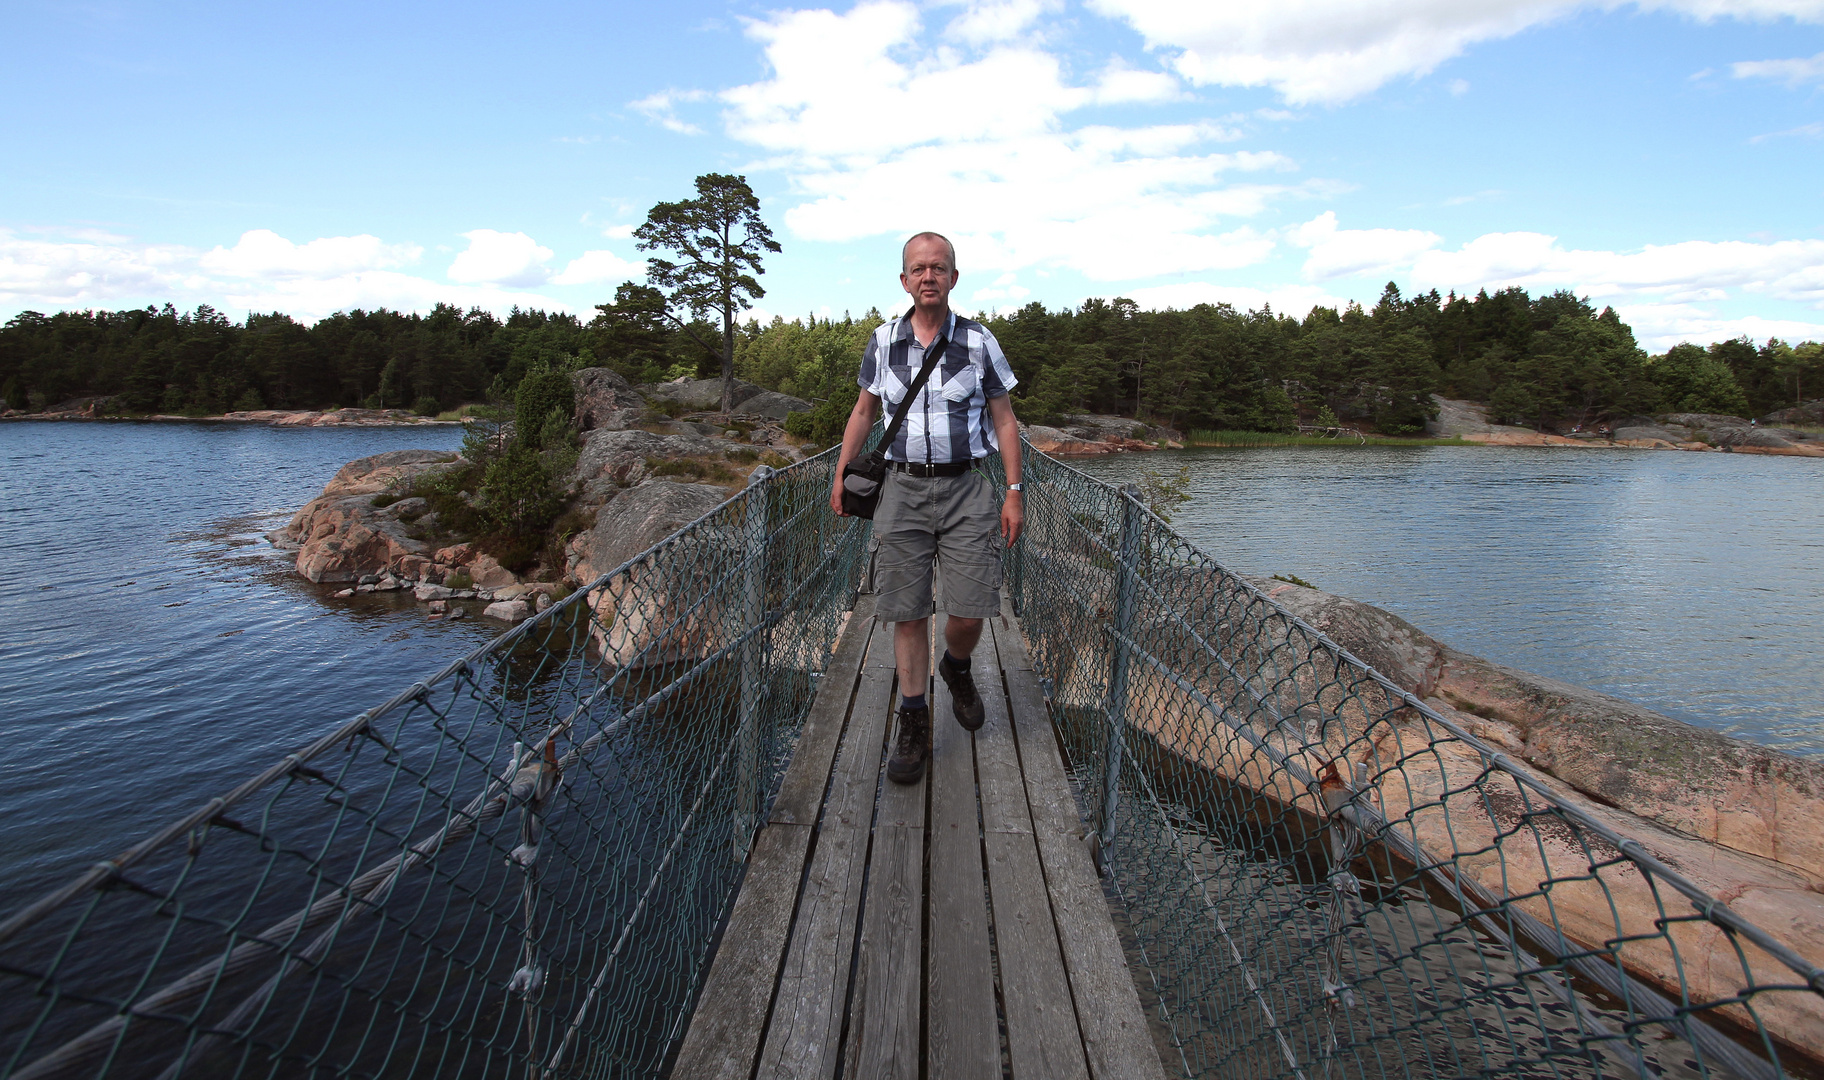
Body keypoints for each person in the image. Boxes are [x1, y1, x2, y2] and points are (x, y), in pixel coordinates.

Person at [829, 231, 1024, 785]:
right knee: (907, 610)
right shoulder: (883, 341)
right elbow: (864, 411)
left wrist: (1014, 490)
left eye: (939, 267)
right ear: (905, 280)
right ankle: (913, 719)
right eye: (919, 268)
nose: (928, 276)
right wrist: (841, 473)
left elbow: (1004, 419)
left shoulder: (980, 342)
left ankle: (956, 667)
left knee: (970, 609)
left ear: (954, 278)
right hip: (901, 490)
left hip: (966, 489)